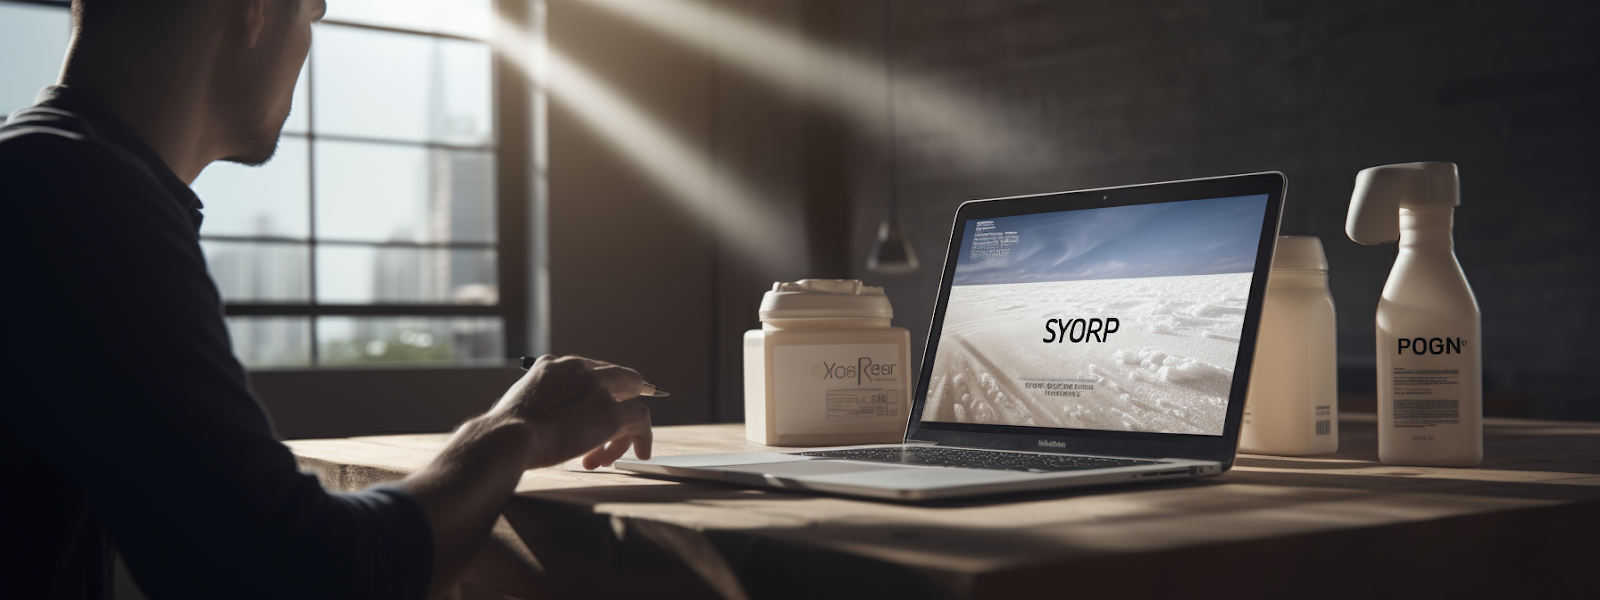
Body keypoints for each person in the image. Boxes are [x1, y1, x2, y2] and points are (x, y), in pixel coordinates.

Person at [0, 1, 653, 598]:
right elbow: (305, 575)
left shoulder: (49, 179)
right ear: (254, 8)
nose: (311, 38)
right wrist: (518, 430)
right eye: (312, 10)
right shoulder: (80, 203)